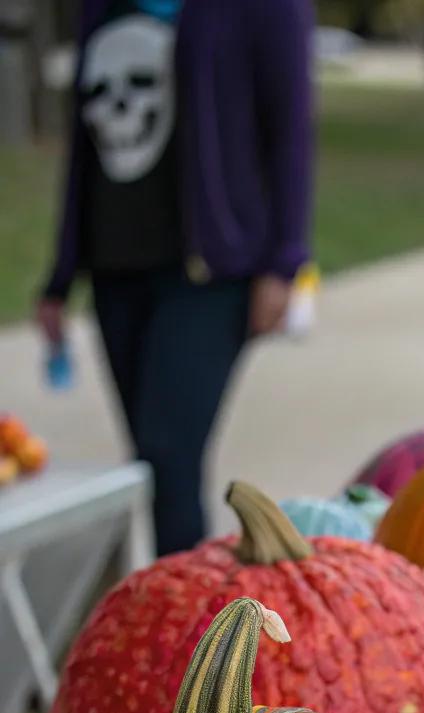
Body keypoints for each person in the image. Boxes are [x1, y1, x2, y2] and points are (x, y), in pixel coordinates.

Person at [36, 0, 314, 556]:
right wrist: (61, 276)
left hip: (210, 276)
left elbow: (290, 127)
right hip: (116, 271)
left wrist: (283, 261)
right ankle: (159, 613)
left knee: (169, 454)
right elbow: (85, 149)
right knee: (149, 462)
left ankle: (193, 629)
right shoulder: (100, 9)